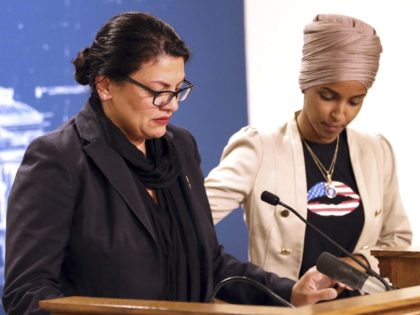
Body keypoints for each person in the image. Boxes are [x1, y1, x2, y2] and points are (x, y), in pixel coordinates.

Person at [2, 12, 341, 315]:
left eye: (179, 89)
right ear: (105, 85)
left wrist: (290, 292)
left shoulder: (180, 147)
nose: (172, 105)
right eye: (158, 91)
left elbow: (208, 261)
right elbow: (27, 293)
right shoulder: (57, 159)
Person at [205, 14, 412, 297]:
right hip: (286, 306)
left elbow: (396, 239)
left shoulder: (376, 151)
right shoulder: (260, 148)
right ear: (305, 83)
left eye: (354, 102)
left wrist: (360, 261)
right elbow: (191, 218)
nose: (340, 114)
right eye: (327, 96)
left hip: (366, 307)